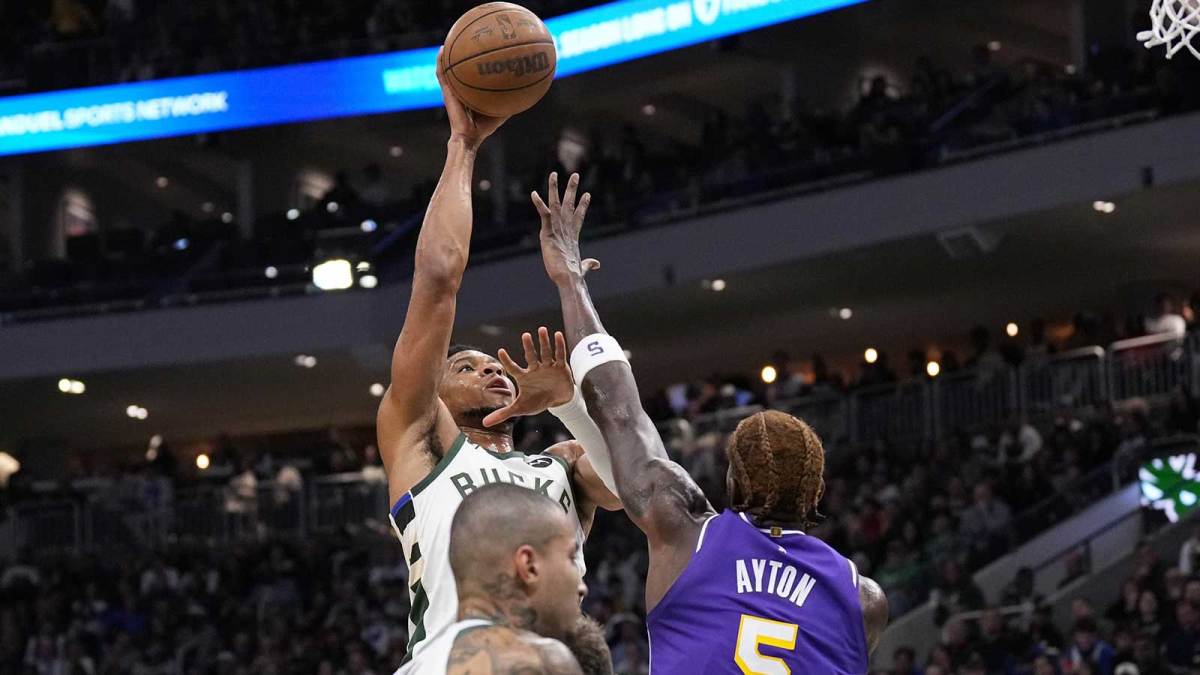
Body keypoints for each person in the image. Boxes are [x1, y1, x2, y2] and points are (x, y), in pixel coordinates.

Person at [516, 171, 888, 672]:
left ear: (732, 479)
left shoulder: (686, 532)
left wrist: (571, 281)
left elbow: (620, 410)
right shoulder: (864, 600)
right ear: (817, 490)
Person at [376, 59, 620, 666]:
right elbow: (437, 279)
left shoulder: (559, 466)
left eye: (496, 367)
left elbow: (636, 482)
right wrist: (463, 145)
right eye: (468, 368)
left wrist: (568, 402)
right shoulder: (423, 441)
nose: (492, 371)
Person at [401, 484, 611, 675]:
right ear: (529, 566)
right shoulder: (543, 661)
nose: (582, 587)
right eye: (571, 557)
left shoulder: (411, 668)